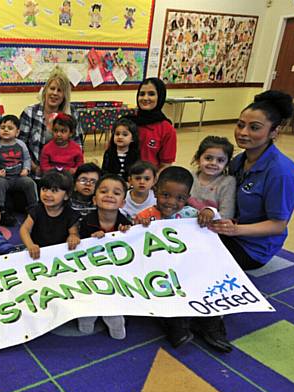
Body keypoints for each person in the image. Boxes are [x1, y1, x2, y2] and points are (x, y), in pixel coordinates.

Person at [207, 91, 294, 351]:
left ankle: (213, 323)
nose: (243, 132)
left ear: (274, 132)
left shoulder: (282, 172)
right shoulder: (239, 160)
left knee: (207, 260)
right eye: (240, 124)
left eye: (255, 127)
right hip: (230, 228)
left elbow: (278, 224)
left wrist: (236, 230)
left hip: (255, 246)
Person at [135, 166, 219, 351]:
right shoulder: (144, 217)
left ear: (187, 197)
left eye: (180, 198)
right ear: (155, 191)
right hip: (159, 273)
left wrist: (210, 212)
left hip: (187, 267)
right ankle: (175, 324)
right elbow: (133, 243)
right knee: (165, 293)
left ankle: (210, 322)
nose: (171, 202)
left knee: (204, 283)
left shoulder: (191, 214)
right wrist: (137, 227)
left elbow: (215, 220)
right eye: (165, 195)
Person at [78, 175, 131, 339]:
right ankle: (88, 314)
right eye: (103, 191)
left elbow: (130, 249)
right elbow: (77, 249)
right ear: (94, 199)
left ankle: (113, 316)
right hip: (90, 271)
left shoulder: (125, 223)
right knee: (89, 294)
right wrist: (90, 239)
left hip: (115, 273)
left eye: (116, 193)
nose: (109, 195)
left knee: (113, 296)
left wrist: (125, 234)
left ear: (122, 202)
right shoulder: (86, 221)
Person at [18, 67, 84, 173]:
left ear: (65, 95)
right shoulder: (30, 112)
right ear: (45, 90)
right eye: (52, 88)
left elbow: (79, 146)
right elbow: (20, 146)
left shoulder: (72, 113)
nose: (55, 93)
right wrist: (34, 168)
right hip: (36, 171)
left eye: (59, 90)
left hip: (66, 174)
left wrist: (75, 170)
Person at [0, 114, 38, 226]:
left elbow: (27, 158)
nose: (6, 130)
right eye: (3, 127)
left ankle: (34, 208)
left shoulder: (21, 144)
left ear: (17, 132)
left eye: (10, 128)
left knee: (30, 182)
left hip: (19, 177)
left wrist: (26, 169)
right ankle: (0, 210)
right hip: (4, 178)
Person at [20, 170, 81, 260]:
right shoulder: (36, 210)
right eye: (44, 189)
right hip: (37, 251)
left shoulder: (70, 214)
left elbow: (74, 233)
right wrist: (30, 245)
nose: (47, 194)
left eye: (54, 191)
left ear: (66, 195)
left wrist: (73, 237)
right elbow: (24, 229)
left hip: (60, 253)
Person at [188, 136, 236, 224]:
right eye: (208, 158)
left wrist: (212, 213)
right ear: (198, 159)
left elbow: (227, 215)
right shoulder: (189, 177)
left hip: (212, 229)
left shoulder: (228, 182)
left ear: (227, 164)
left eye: (220, 160)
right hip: (186, 225)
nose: (213, 163)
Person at [132, 77, 177, 171]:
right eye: (142, 94)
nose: (145, 98)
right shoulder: (128, 122)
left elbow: (165, 165)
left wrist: (151, 182)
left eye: (151, 94)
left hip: (149, 181)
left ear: (160, 97)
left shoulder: (167, 129)